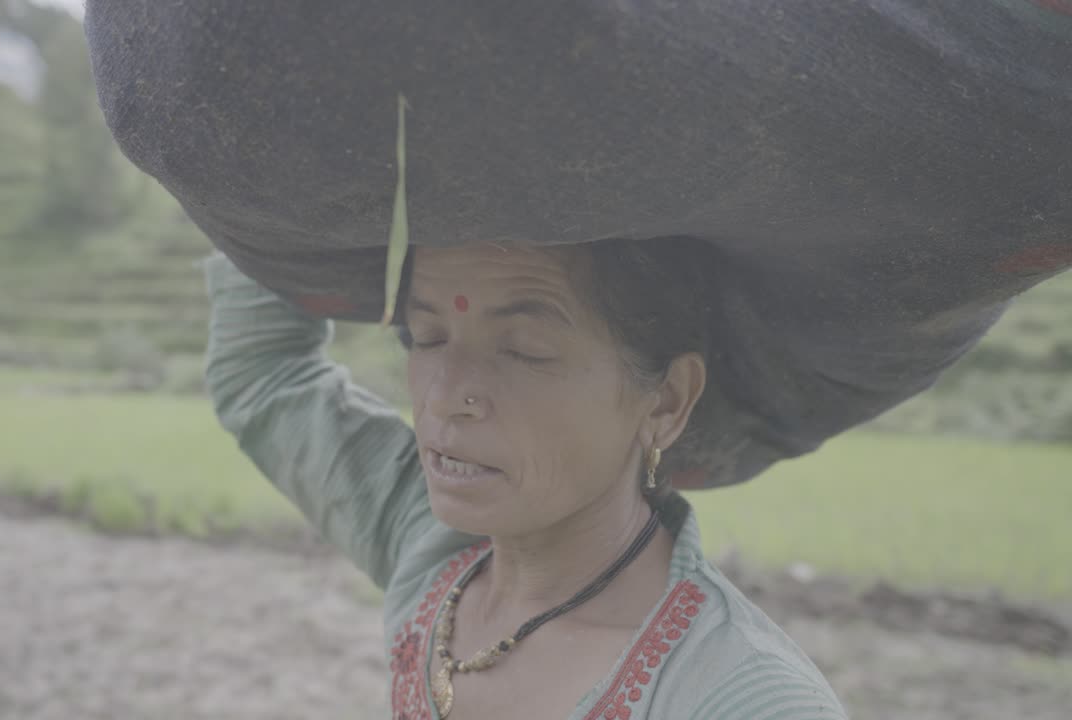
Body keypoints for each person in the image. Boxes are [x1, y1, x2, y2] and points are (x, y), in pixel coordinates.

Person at [204, 238, 848, 719]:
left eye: (522, 351)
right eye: (425, 337)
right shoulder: (436, 556)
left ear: (665, 402)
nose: (446, 397)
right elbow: (264, 375)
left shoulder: (743, 700)